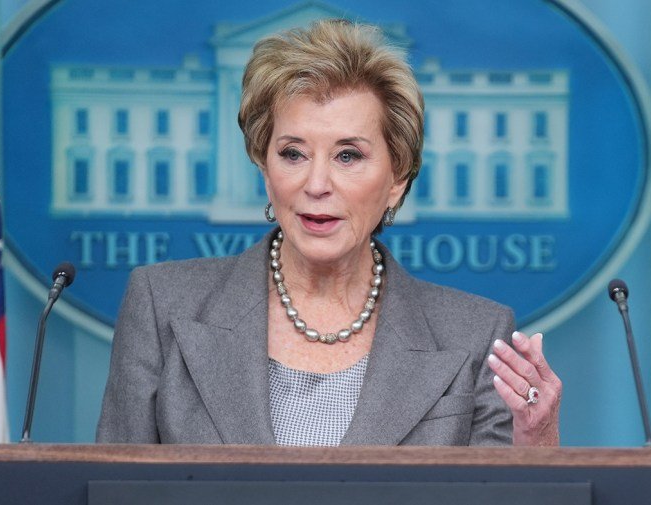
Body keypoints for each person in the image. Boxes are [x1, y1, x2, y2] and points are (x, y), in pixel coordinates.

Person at [97, 19, 561, 447]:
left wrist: (536, 444)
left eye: (347, 156)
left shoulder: (477, 336)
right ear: (265, 169)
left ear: (397, 179)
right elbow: (111, 490)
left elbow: (504, 493)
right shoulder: (161, 306)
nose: (316, 184)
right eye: (293, 154)